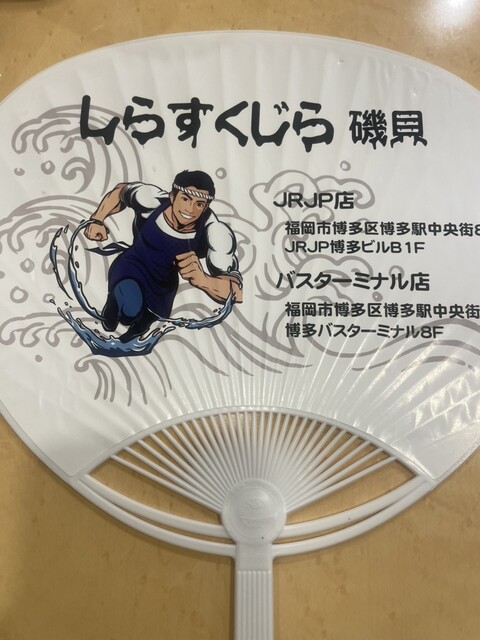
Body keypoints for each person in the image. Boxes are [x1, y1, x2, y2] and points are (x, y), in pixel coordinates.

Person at [84, 170, 242, 342]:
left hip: (164, 288)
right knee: (126, 314)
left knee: (135, 335)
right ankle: (112, 307)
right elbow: (120, 191)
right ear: (172, 196)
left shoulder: (215, 232)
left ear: (205, 207)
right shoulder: (151, 201)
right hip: (133, 267)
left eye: (199, 204)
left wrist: (203, 280)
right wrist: (97, 220)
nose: (190, 209)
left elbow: (236, 291)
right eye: (185, 199)